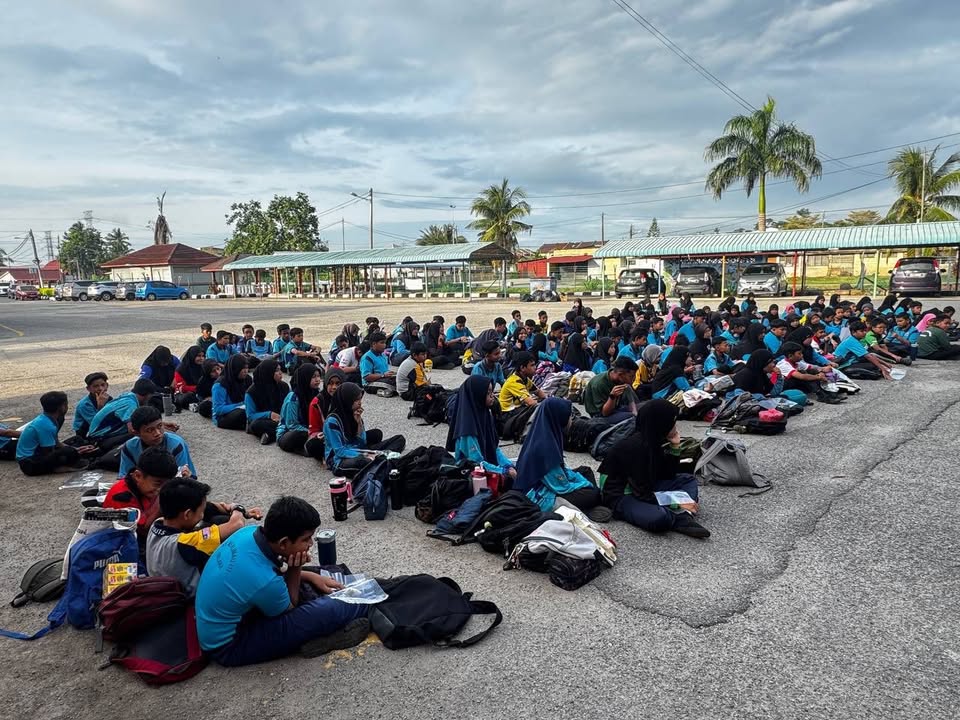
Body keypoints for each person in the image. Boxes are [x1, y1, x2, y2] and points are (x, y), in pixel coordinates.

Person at [195, 496, 369, 666]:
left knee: (319, 575)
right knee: (339, 606)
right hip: (230, 645)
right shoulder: (264, 580)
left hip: (225, 620)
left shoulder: (248, 533)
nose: (310, 543)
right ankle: (338, 627)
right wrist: (296, 568)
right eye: (306, 539)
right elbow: (289, 608)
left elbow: (267, 577)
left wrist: (312, 576)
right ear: (284, 543)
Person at [597, 400, 709, 538]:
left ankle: (684, 514)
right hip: (621, 495)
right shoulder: (635, 447)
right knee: (659, 518)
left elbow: (668, 475)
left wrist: (675, 448)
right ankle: (679, 517)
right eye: (673, 421)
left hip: (646, 485)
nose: (676, 425)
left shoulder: (653, 438)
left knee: (688, 480)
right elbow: (641, 493)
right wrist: (676, 503)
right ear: (661, 423)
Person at [147, 478, 256, 597]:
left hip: (164, 585)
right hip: (191, 600)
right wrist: (238, 508)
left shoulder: (157, 523)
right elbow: (236, 524)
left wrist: (229, 507)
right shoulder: (184, 543)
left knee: (216, 520)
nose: (202, 515)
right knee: (230, 538)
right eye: (201, 512)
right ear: (187, 514)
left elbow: (209, 506)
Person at [513, 397, 602, 514]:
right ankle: (588, 507)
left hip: (548, 482)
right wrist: (585, 484)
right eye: (569, 416)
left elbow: (561, 472)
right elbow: (561, 487)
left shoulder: (545, 432)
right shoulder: (545, 446)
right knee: (593, 493)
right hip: (540, 496)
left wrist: (579, 480)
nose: (571, 419)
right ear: (559, 417)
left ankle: (590, 504)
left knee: (586, 471)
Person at [103, 446, 180, 547]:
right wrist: (163, 502)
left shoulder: (146, 487)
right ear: (137, 476)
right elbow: (144, 531)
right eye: (158, 484)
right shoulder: (122, 497)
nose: (161, 489)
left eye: (165, 484)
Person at [323, 382, 406, 475]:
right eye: (356, 400)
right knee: (364, 461)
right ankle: (383, 460)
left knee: (399, 439)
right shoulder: (332, 422)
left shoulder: (353, 413)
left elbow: (362, 442)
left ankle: (381, 459)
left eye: (360, 399)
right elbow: (340, 451)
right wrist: (365, 455)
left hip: (359, 450)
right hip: (339, 460)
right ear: (347, 400)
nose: (360, 402)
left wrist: (358, 423)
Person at [447, 376, 516, 482]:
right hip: (472, 474)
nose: (492, 396)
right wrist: (503, 471)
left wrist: (508, 466)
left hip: (486, 466)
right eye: (488, 393)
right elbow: (476, 462)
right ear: (477, 396)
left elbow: (494, 448)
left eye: (492, 392)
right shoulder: (467, 427)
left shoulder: (485, 414)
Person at [17, 391, 93, 475]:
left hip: (38, 454)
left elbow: (56, 443)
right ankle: (58, 468)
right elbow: (48, 452)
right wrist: (72, 452)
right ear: (61, 407)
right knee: (70, 452)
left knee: (76, 440)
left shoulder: (49, 419)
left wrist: (75, 449)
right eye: (66, 404)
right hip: (30, 464)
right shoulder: (46, 425)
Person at [118, 406, 196, 479]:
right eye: (149, 430)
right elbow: (124, 477)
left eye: (159, 426)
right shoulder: (130, 447)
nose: (157, 433)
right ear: (137, 433)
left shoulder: (175, 445)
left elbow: (182, 476)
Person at [87, 378, 163, 451]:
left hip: (101, 436)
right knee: (141, 435)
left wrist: (162, 425)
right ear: (147, 395)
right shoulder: (129, 404)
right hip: (99, 439)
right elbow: (132, 430)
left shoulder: (128, 397)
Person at [277, 363, 325, 459]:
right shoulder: (294, 398)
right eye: (313, 377)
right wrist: (311, 432)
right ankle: (304, 447)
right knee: (297, 436)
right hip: (289, 433)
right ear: (305, 378)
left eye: (319, 376)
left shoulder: (317, 394)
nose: (317, 380)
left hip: (310, 431)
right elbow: (292, 425)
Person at [583, 357, 639, 425]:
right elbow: (605, 413)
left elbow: (630, 397)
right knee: (631, 418)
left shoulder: (621, 380)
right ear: (620, 374)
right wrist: (612, 397)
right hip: (600, 417)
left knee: (642, 409)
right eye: (631, 376)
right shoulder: (599, 384)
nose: (634, 379)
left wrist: (635, 410)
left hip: (616, 409)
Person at [245, 359, 288, 445]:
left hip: (281, 418)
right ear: (268, 372)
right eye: (276, 370)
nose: (280, 373)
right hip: (265, 420)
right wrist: (269, 414)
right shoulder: (252, 392)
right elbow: (250, 415)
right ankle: (282, 433)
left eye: (280, 369)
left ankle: (270, 435)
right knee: (255, 425)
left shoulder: (284, 386)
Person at [212, 355, 251, 429]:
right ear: (235, 369)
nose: (246, 371)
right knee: (241, 414)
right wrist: (240, 405)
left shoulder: (247, 379)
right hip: (224, 416)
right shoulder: (220, 384)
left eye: (246, 368)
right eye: (242, 368)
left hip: (244, 408)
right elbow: (218, 409)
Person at [72, 372, 111, 437]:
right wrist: (100, 407)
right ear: (88, 389)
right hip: (86, 432)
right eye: (96, 386)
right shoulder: (84, 405)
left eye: (103, 385)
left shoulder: (108, 398)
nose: (100, 388)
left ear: (107, 385)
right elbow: (96, 424)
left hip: (105, 426)